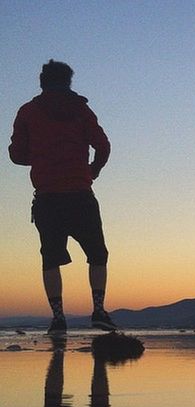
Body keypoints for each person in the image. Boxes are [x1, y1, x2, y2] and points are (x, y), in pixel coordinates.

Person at [9, 59, 116, 334]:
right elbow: (103, 145)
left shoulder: (28, 112)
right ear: (68, 82)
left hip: (47, 198)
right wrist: (93, 169)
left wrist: (42, 156)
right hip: (81, 193)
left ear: (42, 82)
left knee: (51, 258)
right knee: (97, 254)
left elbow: (16, 154)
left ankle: (58, 318)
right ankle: (99, 311)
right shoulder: (81, 110)